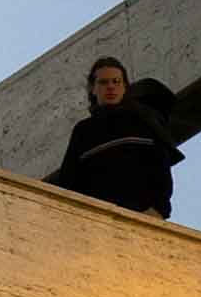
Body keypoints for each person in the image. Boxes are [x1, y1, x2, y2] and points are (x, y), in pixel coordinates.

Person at [47, 57, 184, 219]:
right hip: (97, 220)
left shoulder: (143, 122)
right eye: (103, 82)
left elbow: (160, 168)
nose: (110, 87)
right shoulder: (84, 130)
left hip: (142, 217)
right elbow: (69, 181)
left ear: (125, 87)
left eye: (116, 81)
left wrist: (158, 210)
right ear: (93, 88)